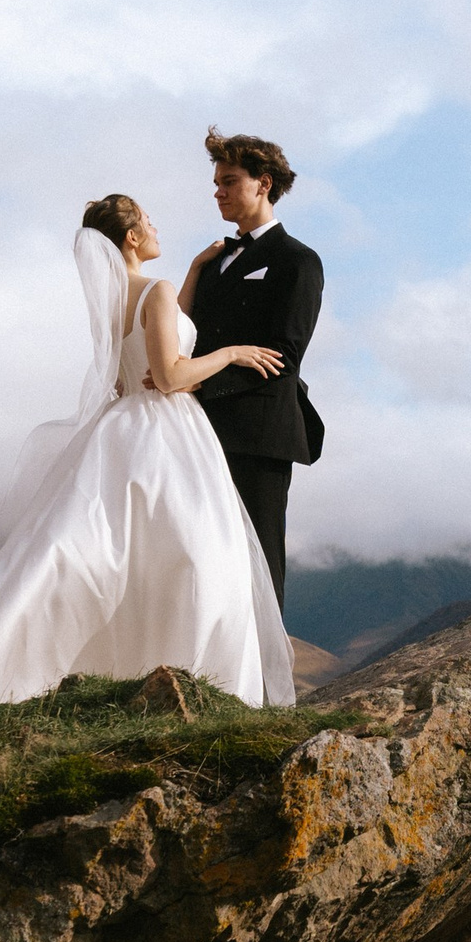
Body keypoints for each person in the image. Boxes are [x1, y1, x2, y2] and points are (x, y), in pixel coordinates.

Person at [0, 195, 294, 726]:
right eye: (149, 221)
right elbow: (169, 376)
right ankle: (201, 680)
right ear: (133, 237)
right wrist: (232, 353)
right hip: (166, 432)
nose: (157, 227)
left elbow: (158, 334)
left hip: (121, 429)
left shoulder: (118, 301)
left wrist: (191, 272)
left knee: (124, 559)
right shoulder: (154, 292)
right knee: (195, 557)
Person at [179, 128, 323, 600]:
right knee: (202, 555)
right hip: (199, 430)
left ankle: (265, 674)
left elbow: (286, 353)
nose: (217, 191)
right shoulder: (215, 261)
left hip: (260, 433)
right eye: (216, 181)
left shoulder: (298, 260)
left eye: (230, 180)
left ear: (263, 183)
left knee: (258, 558)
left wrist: (199, 385)